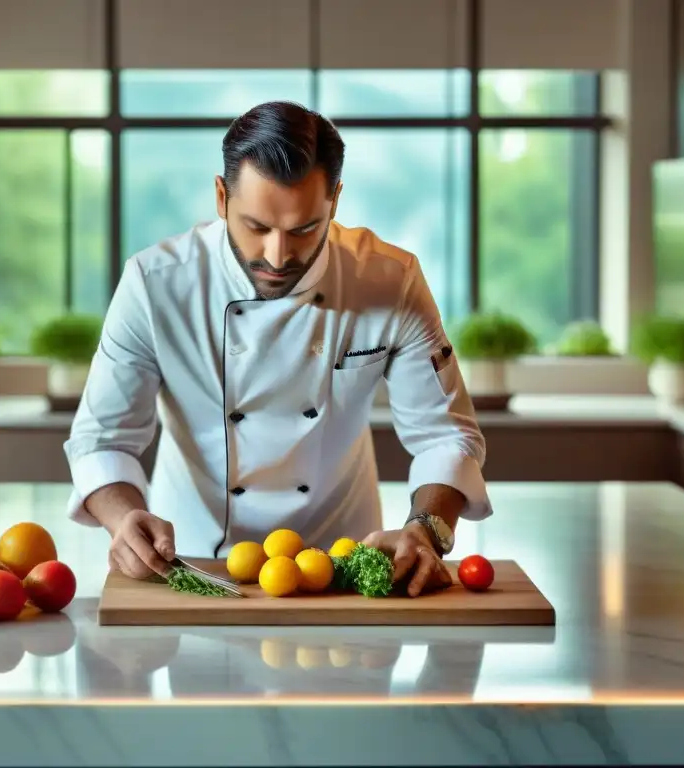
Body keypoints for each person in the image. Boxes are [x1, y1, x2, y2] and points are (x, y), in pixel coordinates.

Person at [64, 100, 491, 597]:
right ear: (221, 198)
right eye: (257, 227)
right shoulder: (155, 285)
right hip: (190, 564)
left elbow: (445, 437)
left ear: (335, 200)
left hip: (348, 565)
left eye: (304, 229)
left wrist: (427, 530)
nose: (278, 255)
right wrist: (122, 520)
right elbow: (102, 440)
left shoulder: (390, 280)